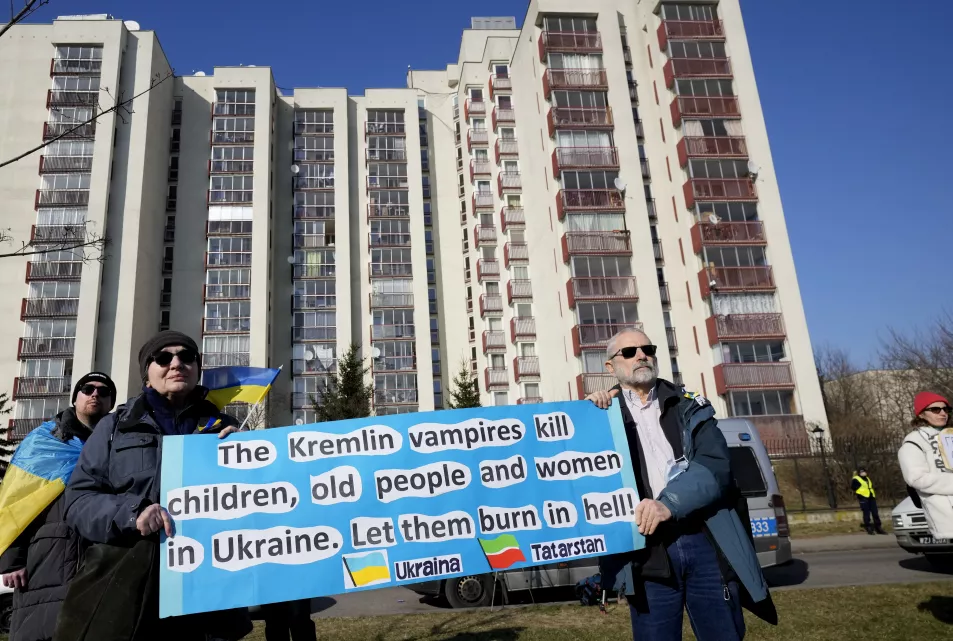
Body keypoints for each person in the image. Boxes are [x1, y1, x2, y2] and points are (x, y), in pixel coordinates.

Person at [58, 331, 251, 641]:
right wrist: (133, 515)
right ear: (147, 375)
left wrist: (248, 459)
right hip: (126, 587)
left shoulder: (225, 427)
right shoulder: (115, 426)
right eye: (163, 358)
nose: (176, 363)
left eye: (186, 357)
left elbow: (256, 506)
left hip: (207, 591)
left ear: (197, 369)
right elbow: (79, 501)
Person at [586, 328, 775, 641]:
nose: (641, 355)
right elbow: (582, 473)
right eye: (630, 352)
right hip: (647, 552)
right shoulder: (602, 416)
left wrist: (667, 505)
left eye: (647, 348)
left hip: (705, 540)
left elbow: (715, 469)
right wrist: (585, 417)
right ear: (610, 367)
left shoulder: (690, 406)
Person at [0, 372, 116, 641]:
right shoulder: (43, 442)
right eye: (87, 389)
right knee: (44, 628)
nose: (95, 394)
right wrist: (10, 560)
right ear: (75, 398)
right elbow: (16, 501)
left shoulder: (119, 443)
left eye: (103, 390)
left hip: (101, 553)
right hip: (48, 555)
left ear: (111, 403)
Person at [899, 392, 953, 540]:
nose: (943, 413)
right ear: (921, 414)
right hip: (946, 513)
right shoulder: (914, 441)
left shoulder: (950, 435)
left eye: (946, 409)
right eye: (936, 410)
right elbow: (916, 478)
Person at [850, 467, 885, 535]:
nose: (863, 473)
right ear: (859, 473)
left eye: (864, 472)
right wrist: (859, 494)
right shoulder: (856, 479)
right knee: (866, 514)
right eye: (862, 472)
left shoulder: (867, 478)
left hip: (871, 497)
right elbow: (853, 487)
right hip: (863, 498)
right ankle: (868, 527)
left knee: (875, 513)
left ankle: (878, 527)